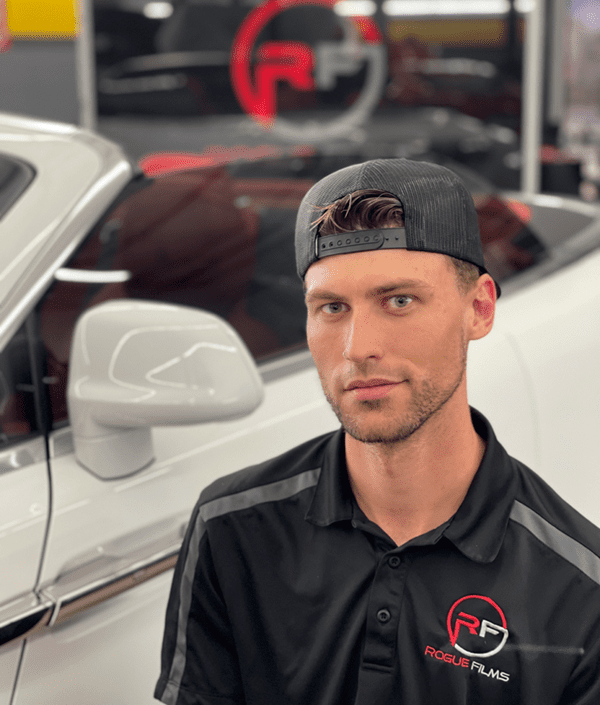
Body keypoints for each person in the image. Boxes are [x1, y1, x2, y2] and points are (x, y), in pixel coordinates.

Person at [155, 158, 600, 705]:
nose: (358, 346)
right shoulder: (231, 529)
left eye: (399, 301)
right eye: (333, 307)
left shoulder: (579, 590)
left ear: (479, 309)